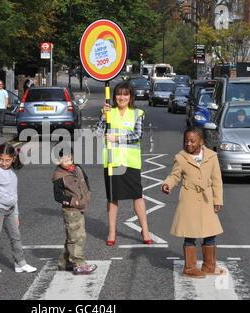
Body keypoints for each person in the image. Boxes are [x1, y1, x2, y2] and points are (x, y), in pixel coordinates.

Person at [161, 127, 225, 278]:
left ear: (201, 142)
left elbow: (217, 180)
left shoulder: (211, 156)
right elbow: (174, 175)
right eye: (186, 141)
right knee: (190, 235)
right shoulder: (181, 157)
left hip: (206, 198)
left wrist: (218, 200)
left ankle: (209, 266)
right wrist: (167, 184)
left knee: (210, 234)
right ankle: (189, 268)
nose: (188, 144)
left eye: (192, 141)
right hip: (188, 198)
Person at [95, 81, 153, 246]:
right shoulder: (107, 112)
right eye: (119, 94)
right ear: (114, 97)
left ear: (131, 96)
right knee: (113, 198)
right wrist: (103, 117)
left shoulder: (137, 113)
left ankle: (145, 230)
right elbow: (98, 133)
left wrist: (117, 138)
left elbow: (138, 135)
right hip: (112, 161)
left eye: (125, 94)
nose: (122, 97)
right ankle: (112, 231)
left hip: (131, 162)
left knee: (137, 196)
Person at [0, 142, 37, 275]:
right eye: (1, 159)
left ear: (13, 159)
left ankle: (20, 263)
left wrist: (16, 214)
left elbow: (14, 194)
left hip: (10, 210)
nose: (4, 163)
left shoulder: (11, 173)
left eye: (7, 160)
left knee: (16, 237)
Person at [52, 146, 97, 275]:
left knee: (73, 236)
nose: (70, 162)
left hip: (81, 206)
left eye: (71, 159)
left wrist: (88, 194)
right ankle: (79, 264)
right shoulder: (59, 176)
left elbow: (85, 179)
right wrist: (73, 202)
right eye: (66, 161)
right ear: (57, 160)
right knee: (78, 237)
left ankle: (64, 262)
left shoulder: (77, 168)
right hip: (71, 210)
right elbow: (58, 196)